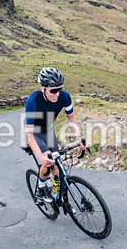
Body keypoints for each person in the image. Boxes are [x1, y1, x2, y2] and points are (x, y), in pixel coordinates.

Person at [24, 67, 84, 202]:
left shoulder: (65, 97)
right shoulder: (33, 100)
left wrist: (78, 138)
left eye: (60, 89)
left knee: (57, 167)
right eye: (53, 90)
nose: (57, 94)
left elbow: (71, 118)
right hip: (35, 134)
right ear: (42, 89)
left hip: (48, 131)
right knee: (47, 161)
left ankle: (55, 191)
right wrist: (41, 156)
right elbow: (29, 134)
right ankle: (41, 187)